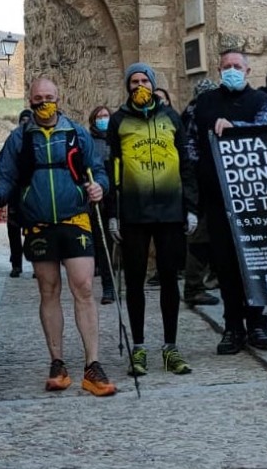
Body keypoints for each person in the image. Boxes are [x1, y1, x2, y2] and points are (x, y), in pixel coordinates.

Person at [0, 77, 116, 397]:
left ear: (59, 98)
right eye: (38, 97)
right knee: (49, 289)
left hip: (75, 218)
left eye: (50, 97)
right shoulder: (19, 139)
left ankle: (92, 365)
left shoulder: (76, 133)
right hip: (39, 224)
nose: (44, 102)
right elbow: (7, 179)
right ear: (29, 100)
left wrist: (101, 187)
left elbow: (98, 171)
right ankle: (57, 362)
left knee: (84, 286)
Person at [106, 63, 196, 376]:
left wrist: (191, 207)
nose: (140, 85)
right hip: (134, 213)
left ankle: (170, 347)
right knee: (134, 280)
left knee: (170, 278)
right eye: (134, 81)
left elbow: (186, 164)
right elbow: (112, 170)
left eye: (145, 80)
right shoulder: (118, 121)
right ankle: (139, 347)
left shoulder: (171, 117)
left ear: (153, 84)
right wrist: (113, 215)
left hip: (170, 211)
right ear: (127, 86)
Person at [185, 50, 267, 355]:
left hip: (253, 198)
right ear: (219, 70)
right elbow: (191, 142)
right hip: (217, 198)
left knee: (255, 262)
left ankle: (258, 324)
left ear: (248, 70)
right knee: (224, 264)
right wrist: (203, 173)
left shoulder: (262, 102)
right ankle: (233, 326)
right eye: (227, 67)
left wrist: (235, 126)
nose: (232, 70)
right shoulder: (204, 103)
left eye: (237, 66)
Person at [181, 79, 220, 307]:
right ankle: (193, 287)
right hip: (200, 182)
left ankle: (205, 281)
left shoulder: (192, 112)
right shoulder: (196, 114)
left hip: (204, 181)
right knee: (200, 236)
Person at [86, 105, 117, 303]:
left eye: (106, 116)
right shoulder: (88, 142)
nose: (103, 119)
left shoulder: (117, 139)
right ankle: (108, 287)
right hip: (99, 197)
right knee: (102, 241)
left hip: (118, 195)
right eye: (99, 116)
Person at [6, 109, 34, 278]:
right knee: (14, 231)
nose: (25, 123)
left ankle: (37, 264)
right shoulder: (13, 139)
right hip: (15, 191)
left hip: (32, 190)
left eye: (27, 120)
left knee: (33, 231)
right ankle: (16, 264)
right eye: (22, 120)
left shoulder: (37, 139)